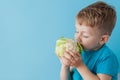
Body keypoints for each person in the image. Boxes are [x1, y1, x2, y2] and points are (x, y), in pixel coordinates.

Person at [59, 1, 119, 80]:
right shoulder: (79, 51)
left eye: (85, 35)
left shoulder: (107, 57)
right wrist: (65, 66)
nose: (77, 38)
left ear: (103, 39)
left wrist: (80, 65)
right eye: (77, 31)